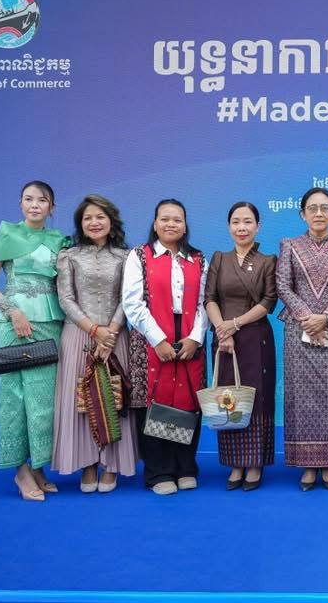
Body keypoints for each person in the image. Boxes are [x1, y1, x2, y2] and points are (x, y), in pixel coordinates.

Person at [0, 180, 70, 500]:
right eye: (28, 199)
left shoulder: (60, 240)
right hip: (11, 324)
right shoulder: (7, 234)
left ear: (51, 207)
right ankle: (20, 470)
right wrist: (13, 311)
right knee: (13, 397)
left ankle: (39, 465)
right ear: (20, 204)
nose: (35, 205)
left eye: (42, 200)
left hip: (49, 323)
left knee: (45, 400)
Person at [52, 194, 138, 492]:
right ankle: (87, 464)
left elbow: (128, 298)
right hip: (79, 336)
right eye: (87, 218)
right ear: (80, 224)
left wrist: (110, 333)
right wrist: (94, 330)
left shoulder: (126, 257)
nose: (94, 222)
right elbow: (66, 298)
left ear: (111, 221)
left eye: (100, 217)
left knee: (114, 399)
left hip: (116, 335)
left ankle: (112, 465)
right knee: (82, 401)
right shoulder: (69, 256)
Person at [122, 199, 209, 496]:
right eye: (165, 219)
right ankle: (158, 471)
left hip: (189, 336)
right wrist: (157, 339)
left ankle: (185, 467)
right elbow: (133, 303)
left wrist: (195, 338)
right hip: (151, 336)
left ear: (185, 225)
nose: (171, 224)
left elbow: (205, 303)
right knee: (156, 401)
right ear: (155, 223)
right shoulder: (139, 256)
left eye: (177, 219)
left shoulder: (198, 259)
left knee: (187, 401)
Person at [276, 188, 328, 491]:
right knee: (302, 397)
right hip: (298, 330)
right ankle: (308, 464)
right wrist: (307, 317)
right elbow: (282, 285)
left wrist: (325, 317)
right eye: (312, 208)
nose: (319, 213)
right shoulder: (289, 245)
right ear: (303, 214)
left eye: (325, 208)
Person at [204, 202, 278, 492]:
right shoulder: (219, 258)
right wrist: (221, 329)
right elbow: (209, 298)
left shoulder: (267, 260)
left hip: (255, 338)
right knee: (228, 398)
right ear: (228, 226)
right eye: (236, 222)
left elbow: (268, 301)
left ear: (258, 227)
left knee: (256, 398)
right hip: (223, 340)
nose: (242, 227)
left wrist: (234, 324)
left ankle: (255, 462)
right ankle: (235, 462)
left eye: (248, 222)